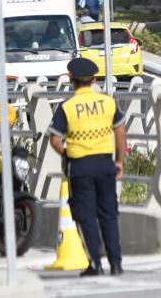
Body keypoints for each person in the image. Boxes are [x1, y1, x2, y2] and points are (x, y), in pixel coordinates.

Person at [48, 58, 126, 276]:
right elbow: (120, 131)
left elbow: (54, 140)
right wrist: (119, 161)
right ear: (94, 80)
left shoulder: (67, 107)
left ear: (72, 81)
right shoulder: (108, 102)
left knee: (85, 215)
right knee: (109, 214)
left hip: (80, 166)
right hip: (105, 163)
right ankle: (116, 263)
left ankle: (95, 263)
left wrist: (68, 155)